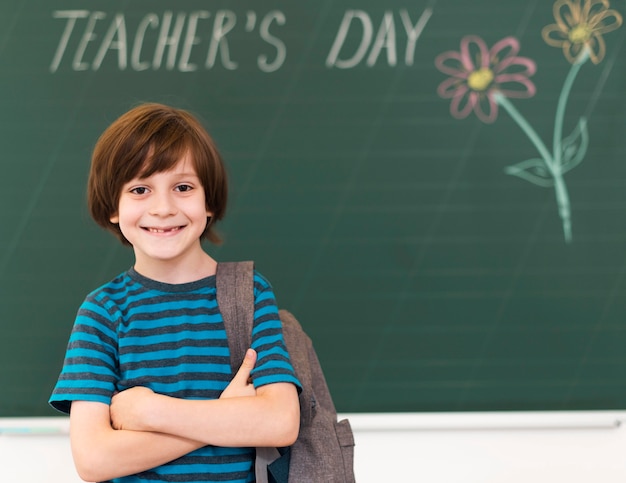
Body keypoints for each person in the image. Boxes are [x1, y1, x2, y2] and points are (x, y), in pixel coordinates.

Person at [49, 103, 301, 483]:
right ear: (113, 207)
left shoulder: (247, 294)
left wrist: (151, 412)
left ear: (208, 201)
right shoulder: (103, 312)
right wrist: (225, 413)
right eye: (140, 189)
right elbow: (94, 459)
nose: (163, 208)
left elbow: (280, 422)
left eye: (183, 187)